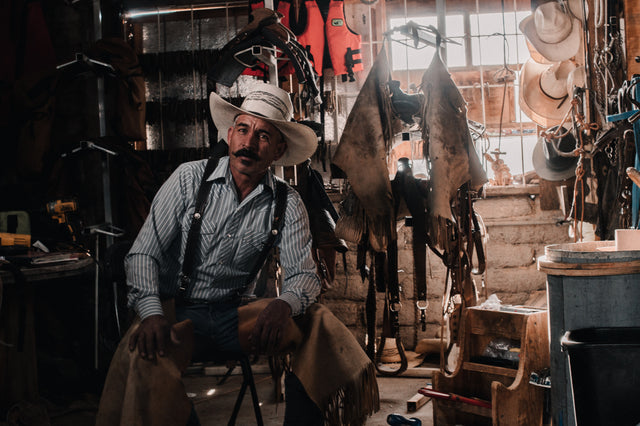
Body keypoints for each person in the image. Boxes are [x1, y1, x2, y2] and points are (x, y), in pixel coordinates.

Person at [124, 82, 323, 424]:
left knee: (319, 333)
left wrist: (283, 303)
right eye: (243, 130)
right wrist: (152, 313)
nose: (248, 143)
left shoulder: (287, 202)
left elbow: (304, 274)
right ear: (229, 136)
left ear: (277, 150)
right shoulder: (188, 179)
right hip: (179, 313)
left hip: (239, 318)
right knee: (142, 354)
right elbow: (143, 254)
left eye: (263, 136)